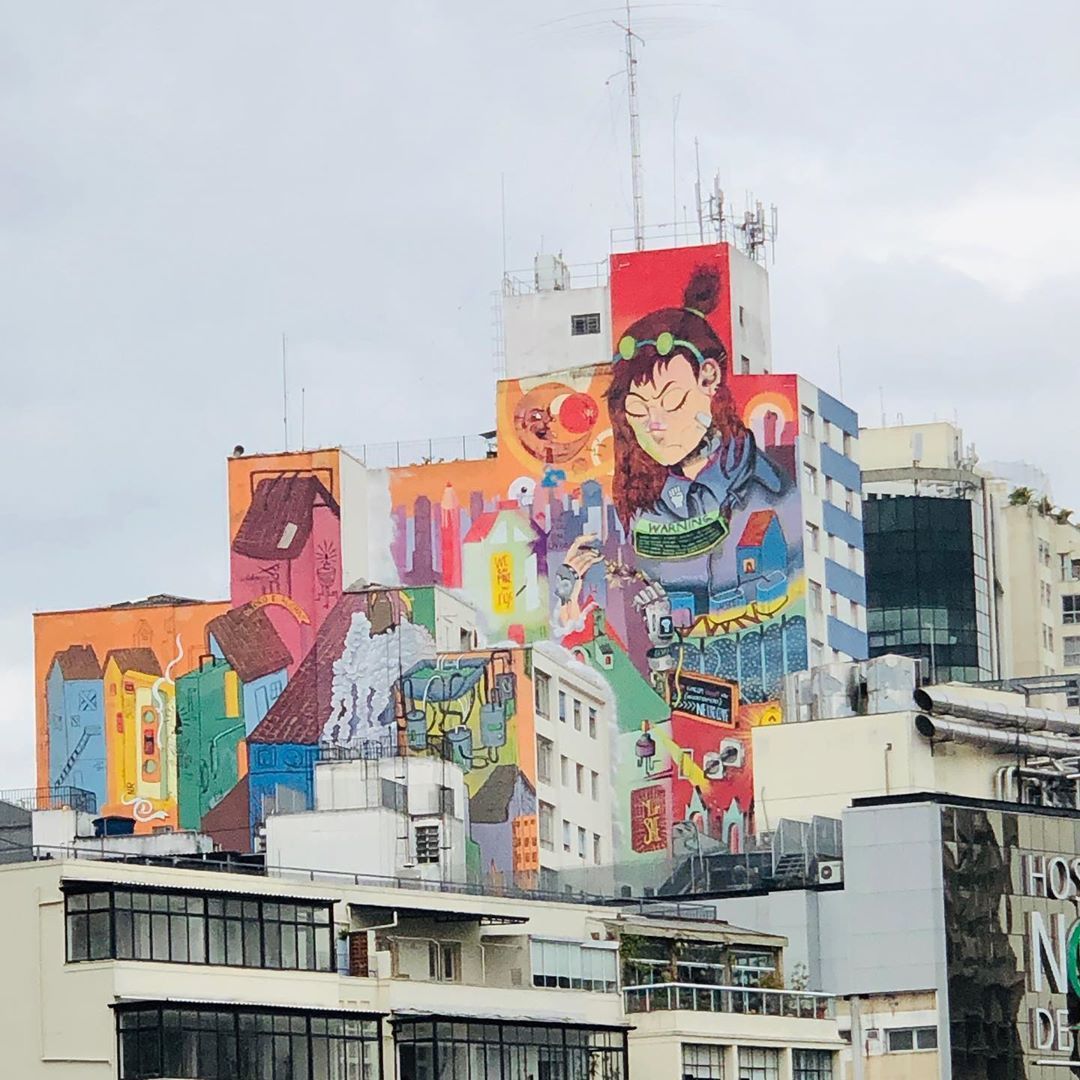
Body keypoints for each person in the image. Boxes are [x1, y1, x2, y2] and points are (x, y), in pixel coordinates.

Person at [607, 264, 782, 561]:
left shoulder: (766, 484)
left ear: (709, 379)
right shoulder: (637, 500)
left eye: (672, 400)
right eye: (637, 409)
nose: (654, 424)